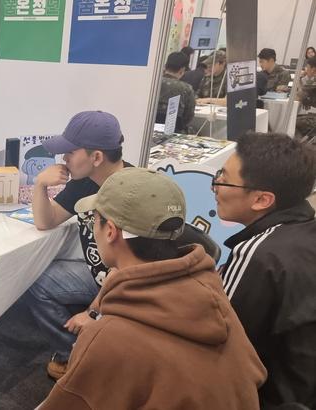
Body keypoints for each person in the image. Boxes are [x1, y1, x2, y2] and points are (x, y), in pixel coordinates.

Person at [40, 168, 266, 409]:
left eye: (94, 219)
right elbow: (256, 373)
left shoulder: (107, 338)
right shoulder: (212, 292)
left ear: (110, 231)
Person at [25, 110, 131, 380]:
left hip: (125, 286)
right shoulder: (85, 181)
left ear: (97, 157)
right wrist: (40, 185)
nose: (64, 158)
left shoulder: (131, 192)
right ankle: (75, 352)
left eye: (70, 152)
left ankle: (87, 359)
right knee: (35, 277)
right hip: (99, 274)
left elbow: (128, 270)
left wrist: (93, 312)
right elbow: (46, 221)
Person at [214, 132, 316, 409]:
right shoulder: (304, 232)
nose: (216, 186)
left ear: (262, 200)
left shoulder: (258, 254)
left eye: (224, 179)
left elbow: (218, 335)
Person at [156, 52, 196, 133]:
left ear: (165, 66)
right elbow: (188, 117)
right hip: (173, 132)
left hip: (148, 130)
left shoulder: (153, 83)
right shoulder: (187, 89)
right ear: (182, 70)